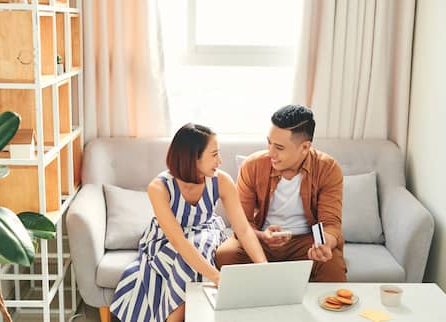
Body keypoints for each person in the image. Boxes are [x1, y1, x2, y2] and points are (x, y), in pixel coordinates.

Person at [111, 123, 267, 322]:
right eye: (214, 154)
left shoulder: (222, 181)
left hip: (206, 232)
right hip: (166, 239)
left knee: (199, 245)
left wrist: (263, 267)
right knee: (184, 257)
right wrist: (217, 277)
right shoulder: (159, 187)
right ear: (193, 158)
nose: (220, 160)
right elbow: (178, 240)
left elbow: (243, 229)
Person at [215, 105, 347, 282]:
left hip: (306, 242)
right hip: (260, 240)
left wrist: (324, 245)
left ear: (305, 147)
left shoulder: (328, 168)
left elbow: (330, 224)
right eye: (269, 142)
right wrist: (263, 236)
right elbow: (242, 223)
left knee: (332, 265)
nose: (271, 152)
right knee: (225, 255)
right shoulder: (252, 166)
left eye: (279, 147)